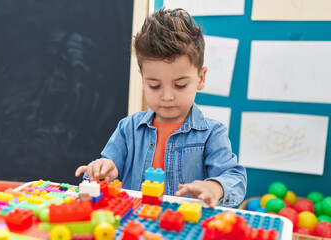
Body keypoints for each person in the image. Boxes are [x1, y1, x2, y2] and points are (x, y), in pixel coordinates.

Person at [75, 7, 246, 208]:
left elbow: (235, 178)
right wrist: (101, 171)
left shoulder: (212, 134)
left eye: (180, 85)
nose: (167, 96)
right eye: (154, 85)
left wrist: (215, 188)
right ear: (143, 80)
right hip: (135, 224)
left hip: (184, 227)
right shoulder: (128, 128)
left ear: (201, 78)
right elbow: (108, 168)